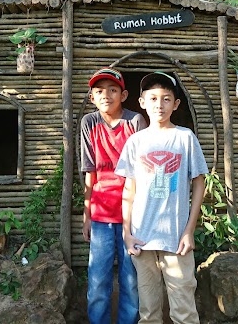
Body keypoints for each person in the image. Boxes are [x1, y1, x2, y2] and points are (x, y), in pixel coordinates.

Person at [116, 72, 208, 324]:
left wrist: (189, 230)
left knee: (184, 310)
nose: (159, 104)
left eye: (167, 99)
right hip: (142, 239)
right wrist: (126, 233)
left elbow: (199, 182)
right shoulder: (135, 141)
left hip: (176, 239)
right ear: (142, 102)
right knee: (148, 312)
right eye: (153, 98)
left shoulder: (184, 138)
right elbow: (129, 190)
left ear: (176, 104)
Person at [81, 67, 146, 324]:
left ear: (124, 94)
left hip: (133, 213)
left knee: (131, 278)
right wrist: (86, 215)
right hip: (101, 212)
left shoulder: (135, 122)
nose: (106, 95)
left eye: (112, 90)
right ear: (92, 97)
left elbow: (143, 170)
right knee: (98, 277)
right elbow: (90, 171)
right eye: (99, 91)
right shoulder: (90, 123)